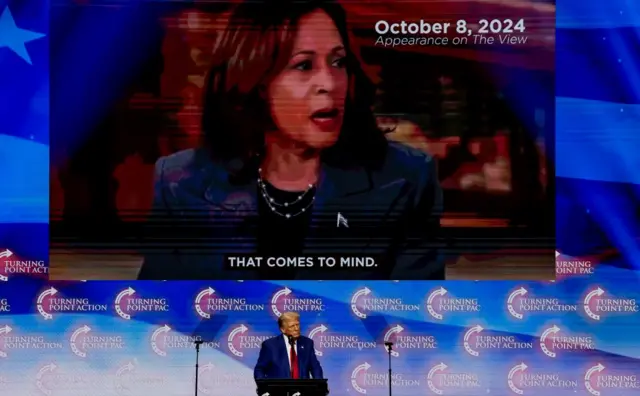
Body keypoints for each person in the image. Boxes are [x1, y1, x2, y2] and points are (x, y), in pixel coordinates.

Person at [137, 0, 443, 280]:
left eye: (338, 63)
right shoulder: (181, 182)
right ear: (257, 81)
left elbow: (415, 324)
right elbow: (156, 320)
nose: (329, 83)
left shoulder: (406, 178)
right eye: (304, 65)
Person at [254, 312, 323, 381]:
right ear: (283, 329)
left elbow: (315, 367)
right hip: (279, 390)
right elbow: (260, 369)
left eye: (297, 325)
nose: (296, 328)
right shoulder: (270, 345)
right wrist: (264, 386)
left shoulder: (307, 343)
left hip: (303, 389)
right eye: (292, 326)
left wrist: (319, 386)